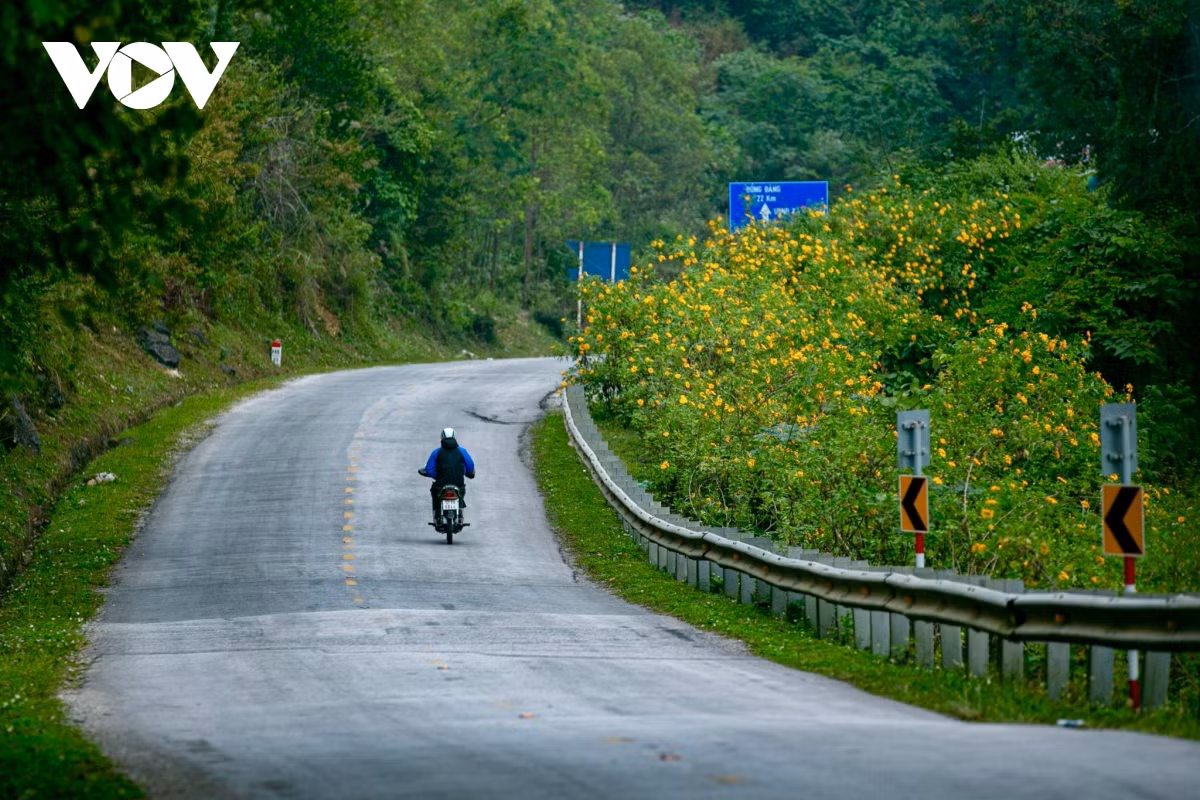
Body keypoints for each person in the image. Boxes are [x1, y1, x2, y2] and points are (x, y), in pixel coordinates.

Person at [421, 427, 475, 521]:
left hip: (440, 485)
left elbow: (429, 470)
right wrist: (466, 472)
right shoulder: (462, 451)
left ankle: (437, 516)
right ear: (455, 437)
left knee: (435, 493)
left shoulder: (436, 452)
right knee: (461, 494)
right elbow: (470, 466)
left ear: (441, 438)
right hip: (458, 484)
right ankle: (460, 514)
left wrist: (437, 475)